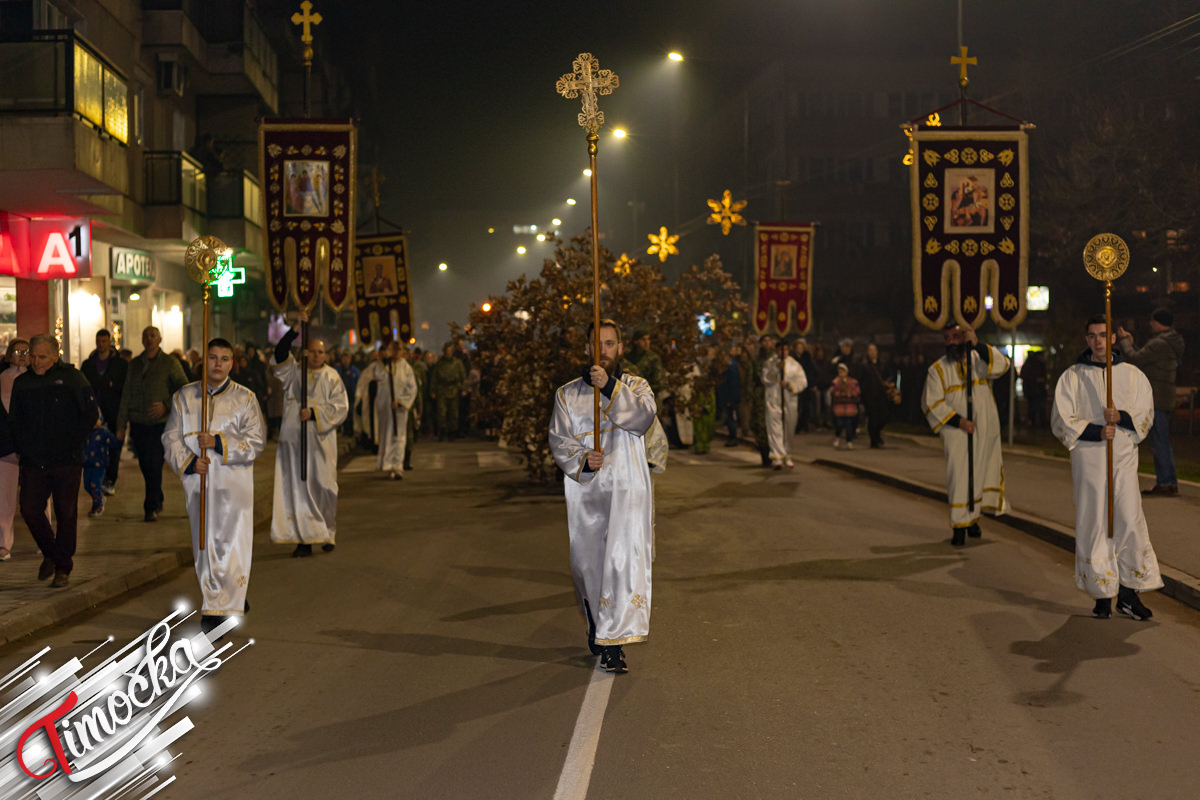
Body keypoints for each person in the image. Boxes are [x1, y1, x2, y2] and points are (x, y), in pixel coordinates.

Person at [549, 319, 656, 674]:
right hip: (588, 497)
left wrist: (609, 387)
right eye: (597, 345)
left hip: (627, 496)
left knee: (623, 566)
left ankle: (614, 643)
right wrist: (582, 460)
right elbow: (559, 440)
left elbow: (642, 419)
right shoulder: (567, 394)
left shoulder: (636, 387)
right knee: (588, 566)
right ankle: (597, 623)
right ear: (586, 349)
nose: (604, 352)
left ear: (620, 349)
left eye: (610, 344)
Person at [1051, 315, 1162, 620]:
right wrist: (1096, 431)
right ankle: (1102, 593)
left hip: (1123, 459)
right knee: (1096, 523)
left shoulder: (1132, 375)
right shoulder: (1073, 377)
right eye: (1092, 336)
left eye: (1103, 335)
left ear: (1113, 338)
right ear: (1086, 340)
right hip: (1089, 460)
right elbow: (1061, 419)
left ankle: (1128, 594)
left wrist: (1122, 417)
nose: (1098, 341)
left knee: (1127, 519)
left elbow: (1145, 413)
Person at [163, 338, 266, 633]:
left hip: (234, 484)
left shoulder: (245, 398)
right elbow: (170, 437)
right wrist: (189, 461)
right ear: (202, 362)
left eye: (224, 358)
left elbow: (256, 441)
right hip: (199, 483)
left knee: (233, 544)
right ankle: (218, 600)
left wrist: (220, 442)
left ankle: (226, 603)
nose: (218, 364)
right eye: (212, 358)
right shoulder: (184, 397)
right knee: (205, 544)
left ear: (232, 363)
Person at [9, 334, 98, 588]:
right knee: (29, 509)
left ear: (55, 355)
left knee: (66, 513)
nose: (35, 362)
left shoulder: (72, 378)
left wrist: (72, 440)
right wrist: (21, 447)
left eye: (42, 357)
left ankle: (62, 567)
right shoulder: (23, 383)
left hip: (66, 460)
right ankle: (52, 553)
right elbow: (14, 420)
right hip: (33, 461)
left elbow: (90, 413)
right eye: (32, 357)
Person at [921, 323, 1011, 546]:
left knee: (979, 473)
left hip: (984, 429)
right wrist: (958, 421)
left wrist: (977, 344)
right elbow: (931, 403)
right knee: (960, 477)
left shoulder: (978, 359)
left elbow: (1002, 365)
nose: (951, 341)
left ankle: (972, 520)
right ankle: (959, 526)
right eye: (947, 337)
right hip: (957, 432)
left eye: (956, 336)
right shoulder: (938, 369)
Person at [270, 312, 349, 557]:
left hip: (321, 438)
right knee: (299, 487)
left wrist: (314, 414)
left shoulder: (332, 376)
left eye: (321, 352)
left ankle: (327, 531)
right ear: (305, 352)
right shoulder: (294, 371)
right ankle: (303, 539)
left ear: (326, 355)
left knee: (324, 486)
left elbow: (341, 407)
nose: (316, 355)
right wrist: (295, 330)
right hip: (295, 437)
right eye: (312, 351)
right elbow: (280, 352)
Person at [115, 326, 188, 522]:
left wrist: (166, 406)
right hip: (138, 422)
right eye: (146, 335)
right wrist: (121, 425)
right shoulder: (135, 365)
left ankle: (150, 505)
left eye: (153, 335)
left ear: (160, 339)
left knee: (154, 462)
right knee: (145, 464)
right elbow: (126, 394)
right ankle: (157, 496)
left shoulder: (169, 363)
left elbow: (184, 389)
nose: (149, 339)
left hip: (160, 423)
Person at [1117, 308, 1185, 496]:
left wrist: (1124, 341)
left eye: (1152, 321)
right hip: (1164, 396)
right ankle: (1169, 482)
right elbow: (1148, 360)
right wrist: (1133, 344)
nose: (1150, 324)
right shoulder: (1172, 341)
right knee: (1161, 440)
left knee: (1159, 441)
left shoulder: (1160, 343)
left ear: (1159, 322)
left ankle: (1165, 483)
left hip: (1156, 398)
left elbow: (1136, 359)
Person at [357, 339, 417, 479]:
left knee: (399, 437)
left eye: (398, 350)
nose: (396, 353)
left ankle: (397, 465)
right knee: (385, 436)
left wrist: (401, 402)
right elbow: (368, 381)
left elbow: (412, 388)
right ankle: (387, 464)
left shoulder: (406, 368)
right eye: (393, 349)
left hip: (399, 410)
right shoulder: (380, 366)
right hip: (384, 409)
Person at [80, 329, 128, 495]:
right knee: (94, 445)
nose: (101, 345)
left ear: (109, 342)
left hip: (113, 411)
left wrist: (113, 386)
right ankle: (97, 478)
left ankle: (110, 479)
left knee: (114, 446)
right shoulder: (88, 365)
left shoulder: (120, 364)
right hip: (94, 412)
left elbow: (126, 388)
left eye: (104, 341)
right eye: (99, 341)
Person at [0, 339, 29, 560]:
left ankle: (45, 539)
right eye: (17, 351)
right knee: (5, 498)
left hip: (32, 447)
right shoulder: (2, 378)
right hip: (6, 445)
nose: (21, 355)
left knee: (39, 495)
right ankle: (4, 543)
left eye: (25, 351)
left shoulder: (35, 380)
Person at [761, 335, 807, 469]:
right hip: (774, 400)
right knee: (775, 427)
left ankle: (787, 453)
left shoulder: (795, 365)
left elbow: (803, 382)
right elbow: (765, 378)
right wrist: (776, 370)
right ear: (776, 351)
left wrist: (789, 385)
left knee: (788, 428)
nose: (783, 353)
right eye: (781, 350)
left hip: (789, 401)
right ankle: (777, 456)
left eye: (786, 350)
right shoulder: (770, 363)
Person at [858, 343, 897, 448]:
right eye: (870, 350)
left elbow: (890, 375)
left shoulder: (883, 364)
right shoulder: (864, 365)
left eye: (874, 350)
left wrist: (888, 382)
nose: (872, 352)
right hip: (870, 396)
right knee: (873, 418)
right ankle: (874, 440)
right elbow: (861, 381)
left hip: (882, 395)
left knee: (884, 416)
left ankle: (877, 435)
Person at [83, 415, 119, 517]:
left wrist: (118, 440)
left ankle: (97, 506)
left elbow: (114, 443)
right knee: (87, 486)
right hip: (87, 464)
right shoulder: (86, 433)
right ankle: (99, 498)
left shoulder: (104, 433)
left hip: (99, 465)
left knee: (95, 485)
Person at [430, 342, 466, 441]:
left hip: (454, 389)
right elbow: (434, 378)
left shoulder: (457, 363)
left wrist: (463, 389)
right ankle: (442, 431)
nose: (448, 353)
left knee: (453, 413)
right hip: (442, 390)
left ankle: (452, 432)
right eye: (447, 351)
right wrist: (433, 390)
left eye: (450, 351)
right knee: (441, 413)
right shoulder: (440, 364)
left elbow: (463, 377)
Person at [830, 362, 861, 448]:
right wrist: (839, 393)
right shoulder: (836, 382)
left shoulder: (853, 382)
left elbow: (857, 391)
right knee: (839, 423)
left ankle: (849, 441)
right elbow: (832, 391)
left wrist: (850, 393)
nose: (841, 374)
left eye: (843, 371)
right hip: (839, 407)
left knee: (848, 424)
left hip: (850, 407)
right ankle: (837, 437)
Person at [716, 344, 741, 445]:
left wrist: (731, 400)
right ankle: (731, 436)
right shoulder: (727, 367)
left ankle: (733, 437)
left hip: (730, 398)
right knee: (728, 418)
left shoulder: (732, 368)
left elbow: (733, 385)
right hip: (726, 397)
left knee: (731, 418)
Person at [1019, 350, 1048, 428]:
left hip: (1032, 391)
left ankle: (1033, 422)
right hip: (1037, 390)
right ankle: (1040, 423)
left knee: (1033, 408)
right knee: (1039, 408)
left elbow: (1022, 375)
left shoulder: (1028, 364)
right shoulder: (1039, 364)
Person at [335, 351, 360, 438]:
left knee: (351, 413)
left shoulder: (354, 370)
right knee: (343, 414)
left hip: (352, 396)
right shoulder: (338, 370)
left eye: (348, 358)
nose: (346, 360)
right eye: (344, 358)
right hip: (341, 396)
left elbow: (359, 382)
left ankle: (350, 431)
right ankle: (344, 430)